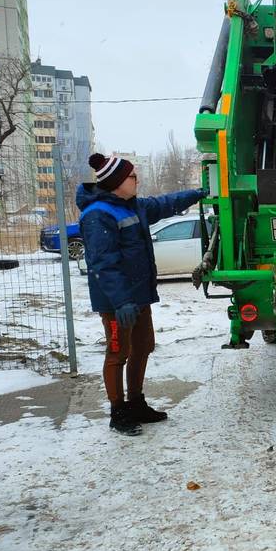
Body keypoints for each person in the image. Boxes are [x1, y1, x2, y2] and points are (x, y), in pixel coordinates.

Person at [76, 153, 207, 436]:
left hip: (138, 296)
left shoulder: (132, 205)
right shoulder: (98, 214)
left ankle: (136, 402)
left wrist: (196, 194)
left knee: (143, 346)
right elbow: (103, 262)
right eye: (133, 176)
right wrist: (121, 301)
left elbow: (164, 204)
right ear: (116, 182)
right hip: (116, 302)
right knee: (117, 352)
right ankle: (117, 411)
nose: (137, 180)